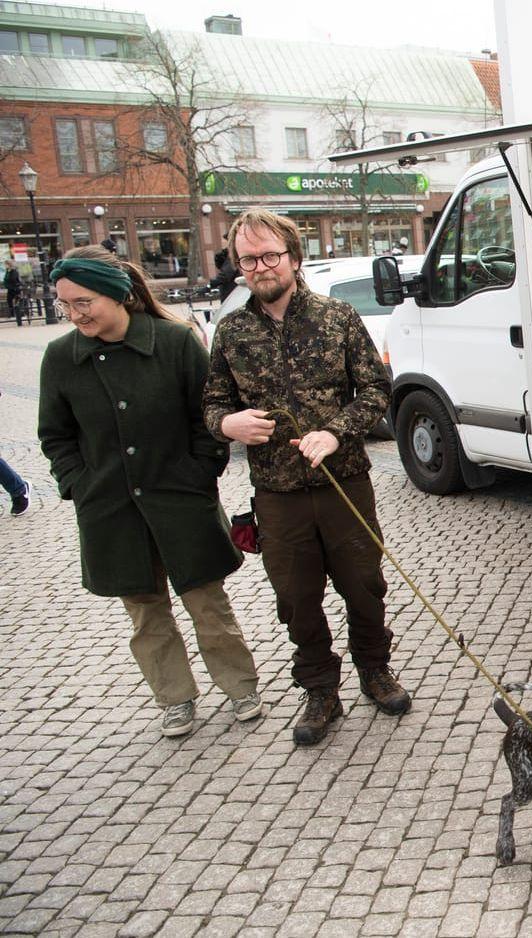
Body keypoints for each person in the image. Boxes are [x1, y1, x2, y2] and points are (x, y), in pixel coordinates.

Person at [37, 246, 261, 738]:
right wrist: (79, 485)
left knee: (208, 604)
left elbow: (208, 416)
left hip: (180, 500)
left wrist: (201, 474)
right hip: (111, 511)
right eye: (64, 305)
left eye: (83, 302)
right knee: (145, 615)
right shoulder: (60, 358)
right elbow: (55, 436)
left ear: (116, 295)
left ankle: (240, 685)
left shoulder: (174, 342)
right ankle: (174, 697)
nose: (74, 315)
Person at [202, 208, 408, 745]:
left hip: (345, 482)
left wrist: (337, 431)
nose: (261, 267)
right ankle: (319, 690)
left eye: (271, 255)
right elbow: (213, 403)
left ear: (293, 258)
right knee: (295, 597)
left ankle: (375, 669)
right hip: (277, 491)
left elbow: (376, 390)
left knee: (364, 585)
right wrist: (228, 422)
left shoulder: (338, 317)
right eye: (249, 259)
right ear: (239, 266)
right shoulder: (231, 331)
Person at [209, 234, 238, 302]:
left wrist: (209, 285)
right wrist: (220, 258)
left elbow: (225, 274)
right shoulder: (229, 254)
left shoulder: (234, 256)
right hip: (230, 294)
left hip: (232, 295)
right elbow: (220, 267)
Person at [5, 260, 22, 326]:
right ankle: (12, 314)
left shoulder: (13, 271)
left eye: (6, 264)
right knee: (9, 300)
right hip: (10, 289)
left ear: (9, 265)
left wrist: (11, 285)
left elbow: (14, 279)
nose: (5, 266)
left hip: (15, 289)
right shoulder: (7, 271)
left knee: (17, 302)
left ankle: (18, 314)